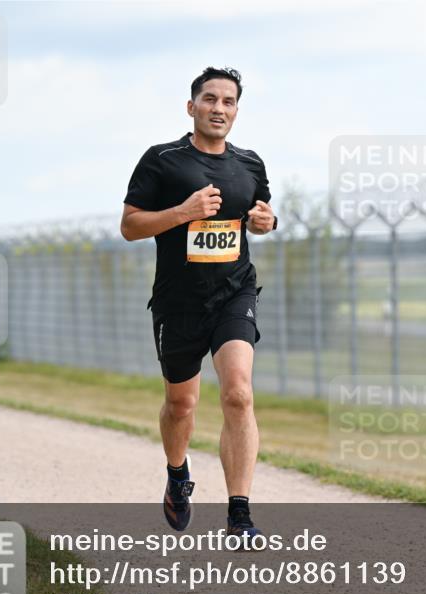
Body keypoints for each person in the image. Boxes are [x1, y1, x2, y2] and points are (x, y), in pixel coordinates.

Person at [119, 67, 276, 538]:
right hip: (178, 303)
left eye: (228, 101)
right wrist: (183, 213)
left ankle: (240, 513)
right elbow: (130, 226)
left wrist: (267, 222)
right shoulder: (162, 160)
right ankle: (176, 473)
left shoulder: (250, 164)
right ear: (192, 107)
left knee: (238, 392)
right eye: (210, 99)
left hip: (234, 293)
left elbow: (261, 214)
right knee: (182, 405)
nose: (219, 109)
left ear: (236, 110)